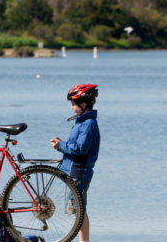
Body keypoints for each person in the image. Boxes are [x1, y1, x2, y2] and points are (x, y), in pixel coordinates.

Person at [50, 84, 100, 242]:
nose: (71, 107)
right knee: (77, 210)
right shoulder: (82, 122)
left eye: (73, 104)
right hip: (73, 171)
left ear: (83, 104)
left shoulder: (88, 124)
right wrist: (62, 145)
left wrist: (61, 146)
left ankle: (84, 241)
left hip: (79, 172)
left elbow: (80, 148)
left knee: (78, 210)